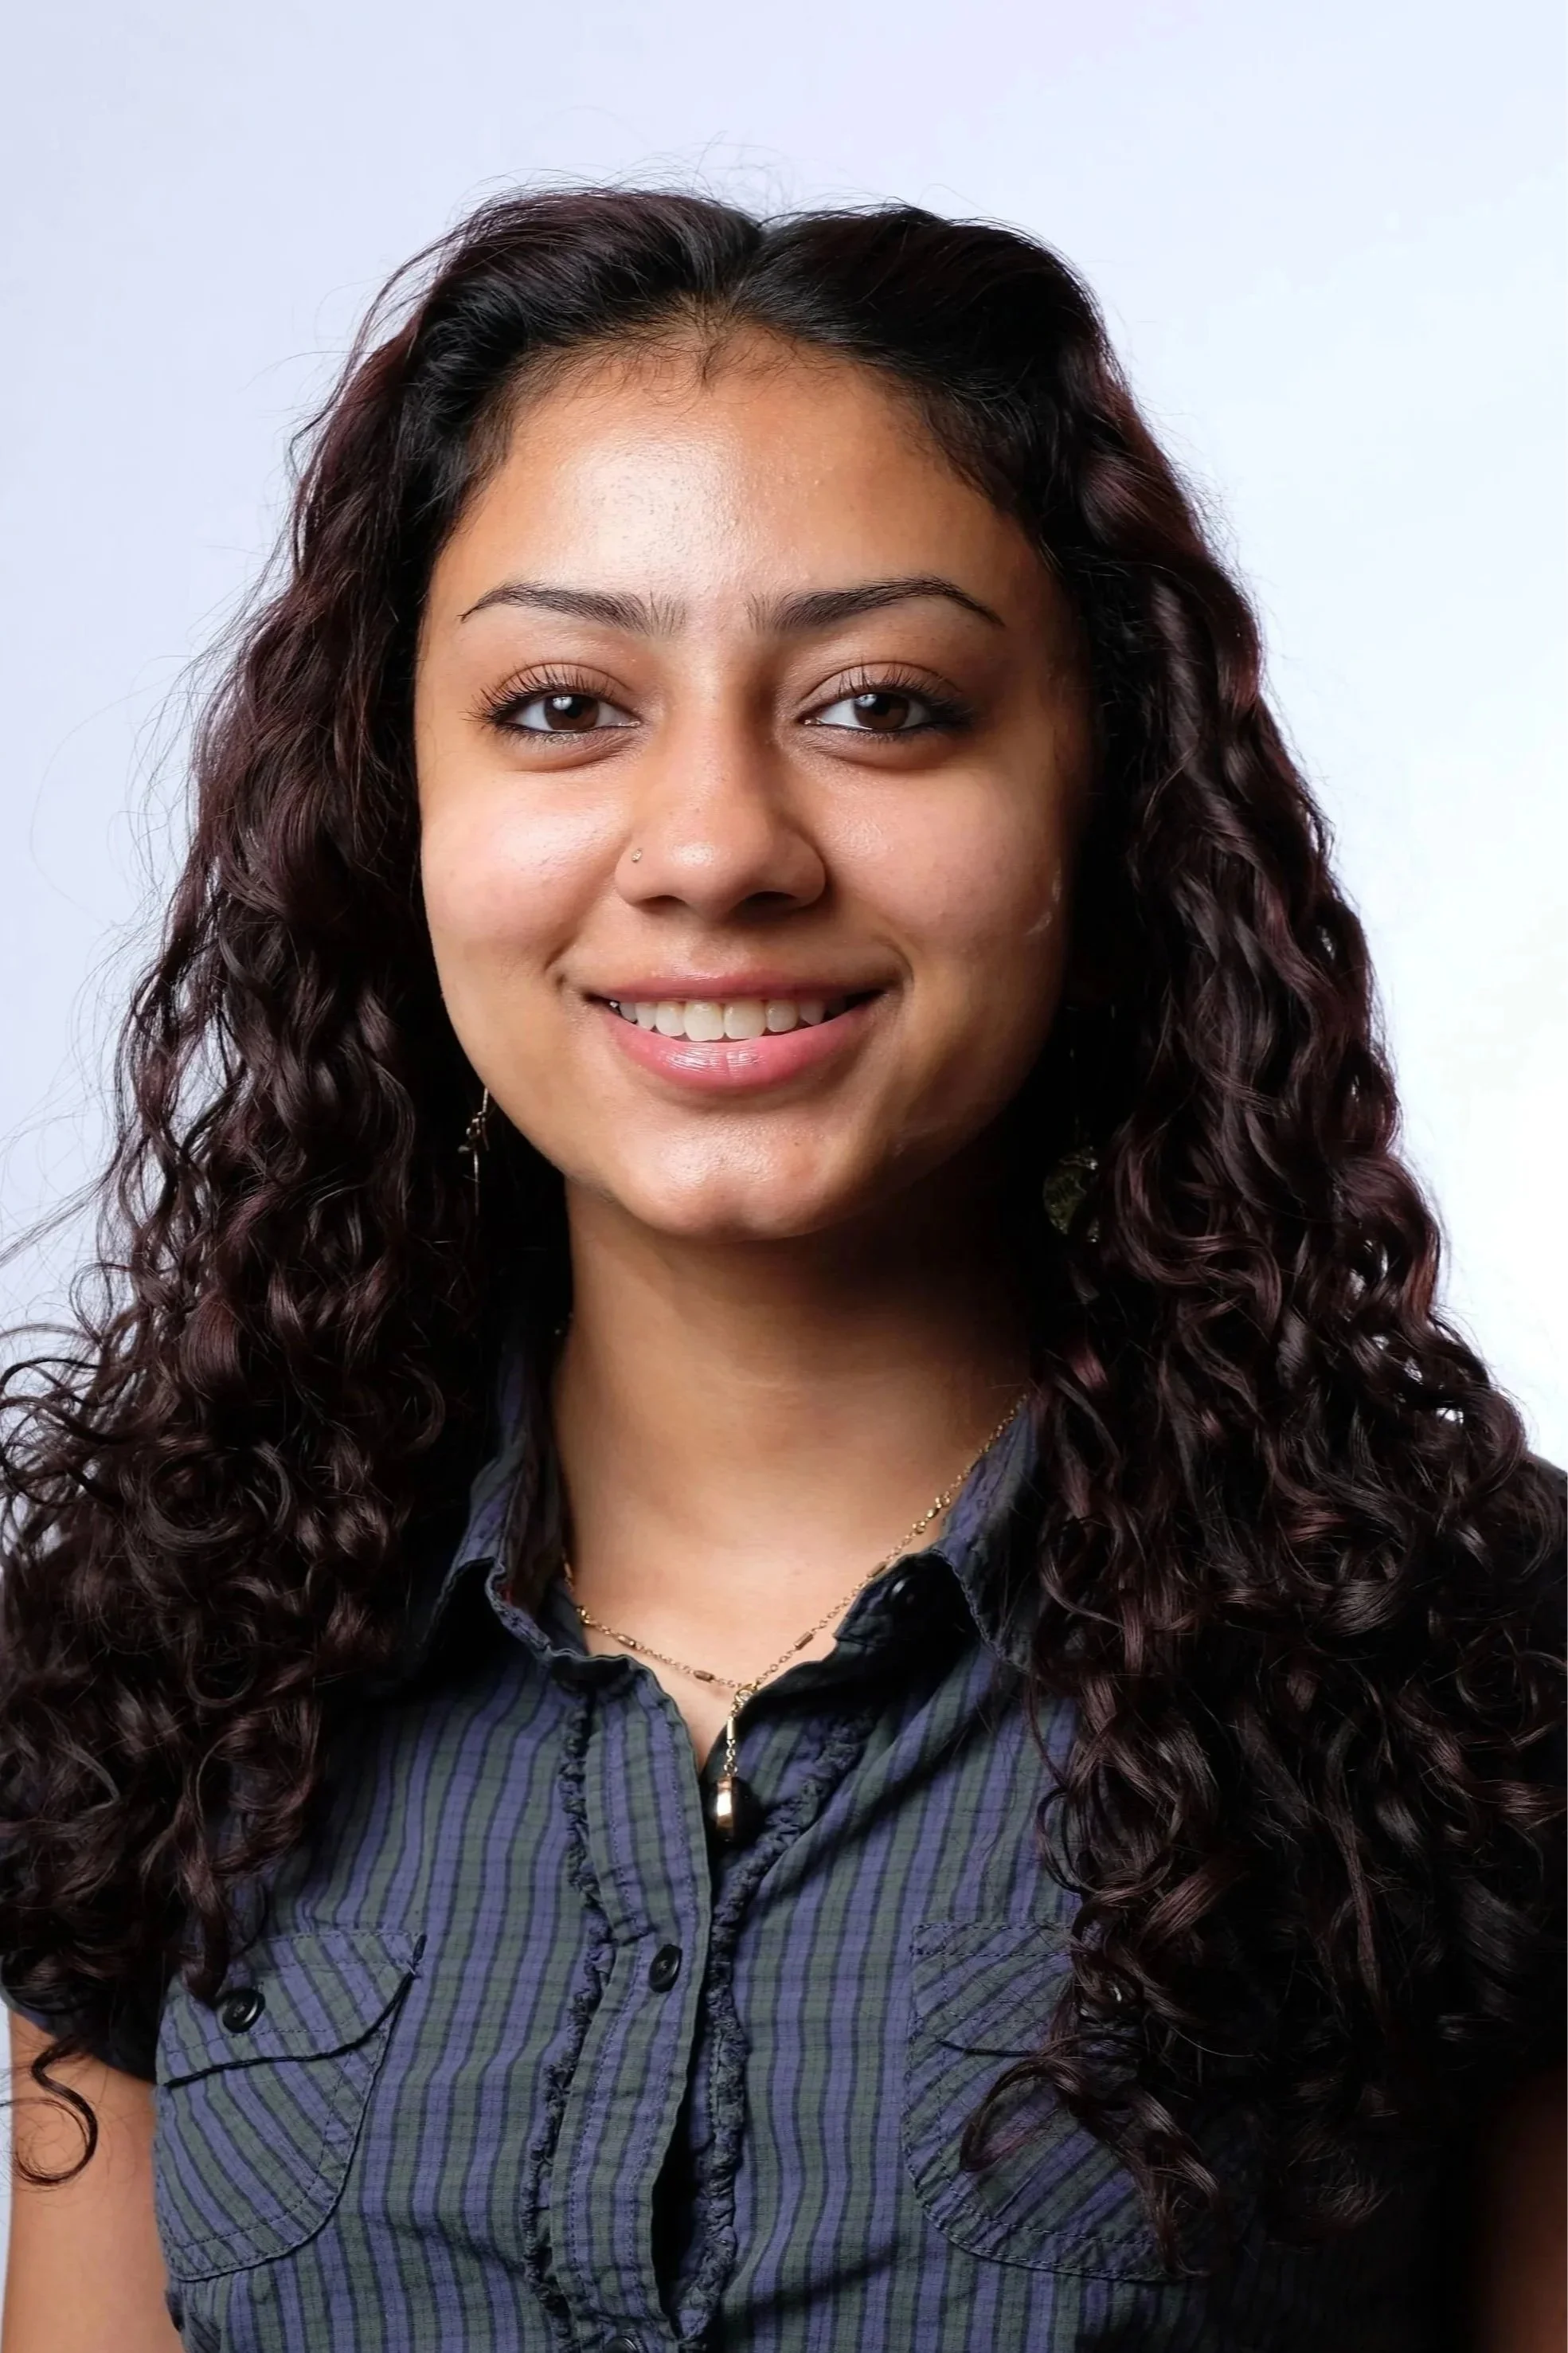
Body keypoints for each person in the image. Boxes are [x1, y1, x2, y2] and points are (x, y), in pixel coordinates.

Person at [0, 188, 1560, 2353]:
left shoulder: (1480, 1676)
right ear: (393, 810)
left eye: (883, 705)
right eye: (560, 706)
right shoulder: (170, 1663)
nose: (719, 843)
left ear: (1103, 810)